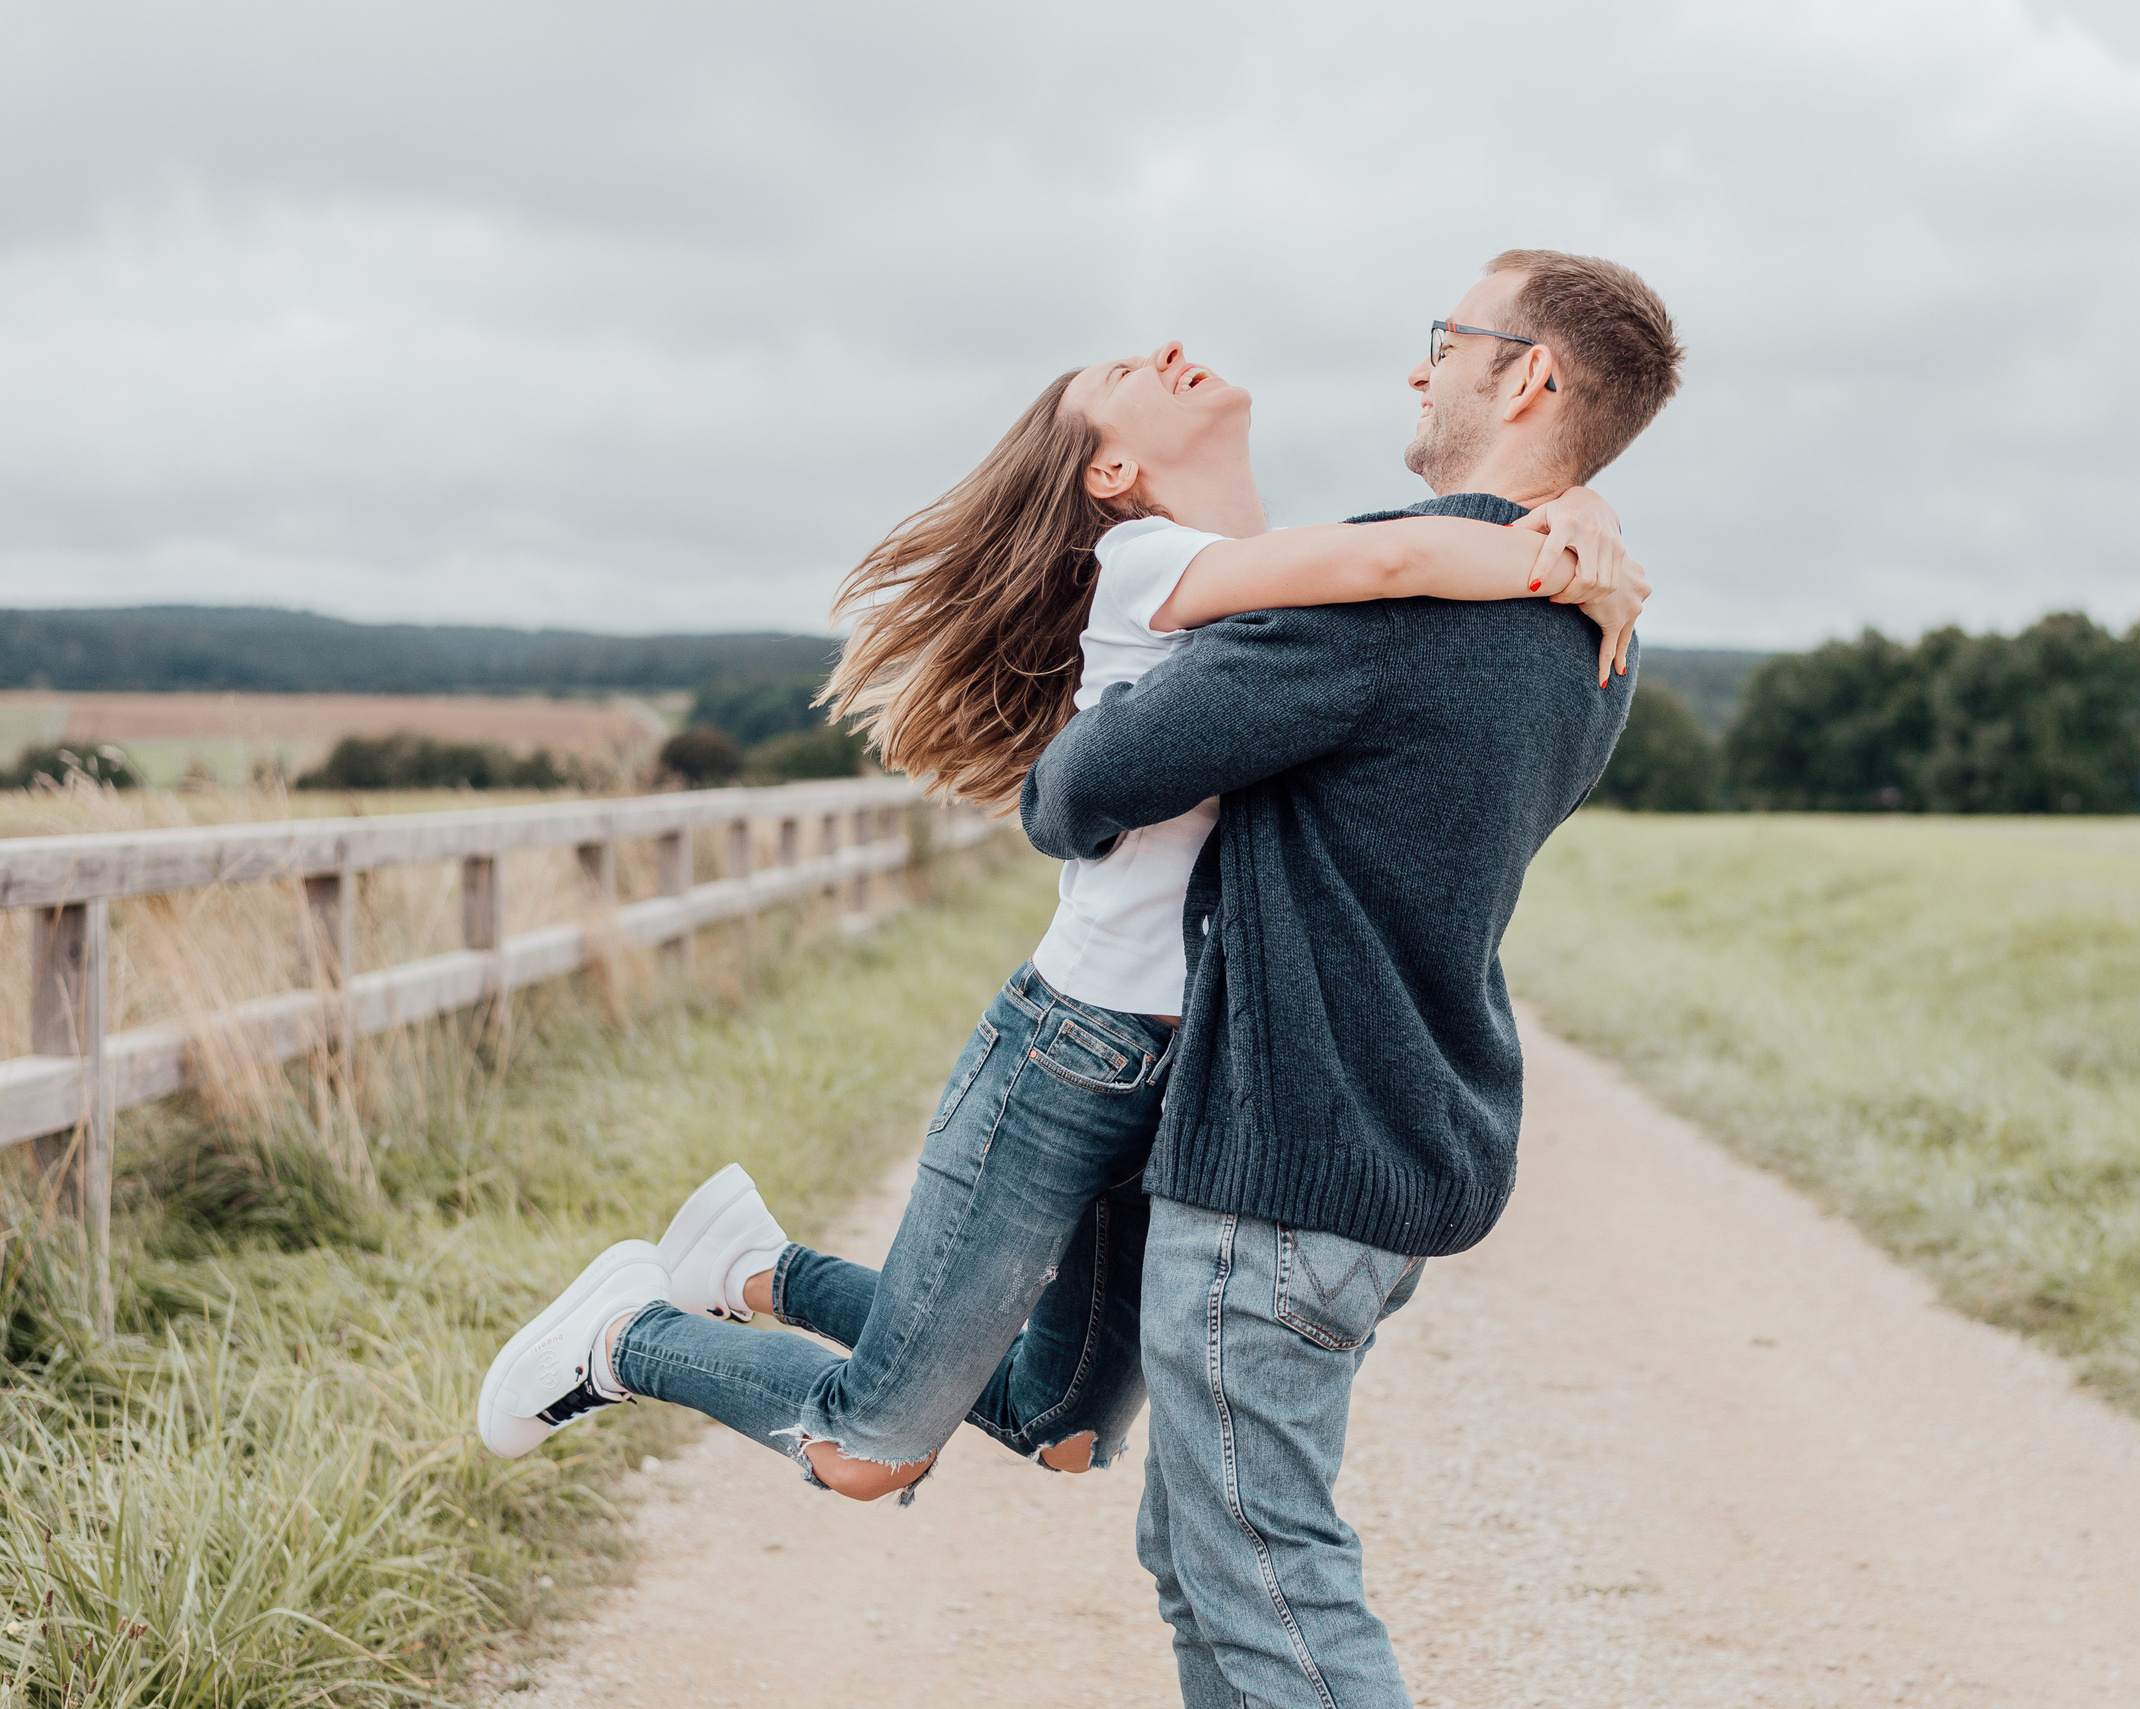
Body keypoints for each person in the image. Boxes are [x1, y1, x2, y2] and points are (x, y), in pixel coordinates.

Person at [476, 322, 1646, 1504]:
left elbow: (1399, 571)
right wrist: (1575, 554)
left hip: (1209, 1082)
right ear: (1109, 475)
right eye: (1120, 373)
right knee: (867, 1449)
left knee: (1064, 1422)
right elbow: (1402, 568)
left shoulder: (1279, 570)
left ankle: (754, 1265)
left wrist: (1576, 502)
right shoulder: (1152, 562)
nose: (1169, 346)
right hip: (1075, 1045)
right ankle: (622, 1335)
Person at [1019, 248, 1685, 1707]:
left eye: (1445, 339)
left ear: (1529, 376)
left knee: (1267, 1586)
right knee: (1206, 1568)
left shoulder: (1400, 599)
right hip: (1382, 1147)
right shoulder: (1596, 620)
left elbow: (1079, 790)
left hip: (1280, 1161)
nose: (1417, 367)